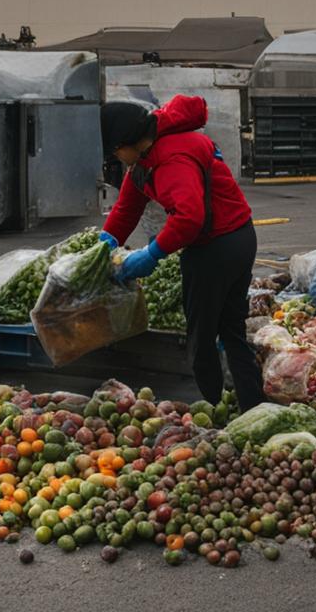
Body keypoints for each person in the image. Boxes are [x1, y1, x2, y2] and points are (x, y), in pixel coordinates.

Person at [98, 95, 264, 411]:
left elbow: (190, 218)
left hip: (218, 247)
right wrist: (106, 241)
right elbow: (128, 206)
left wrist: (152, 254)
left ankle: (212, 406)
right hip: (239, 236)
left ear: (126, 142)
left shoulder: (171, 157)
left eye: (115, 151)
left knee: (201, 338)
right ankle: (252, 405)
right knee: (232, 331)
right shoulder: (149, 154)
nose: (116, 158)